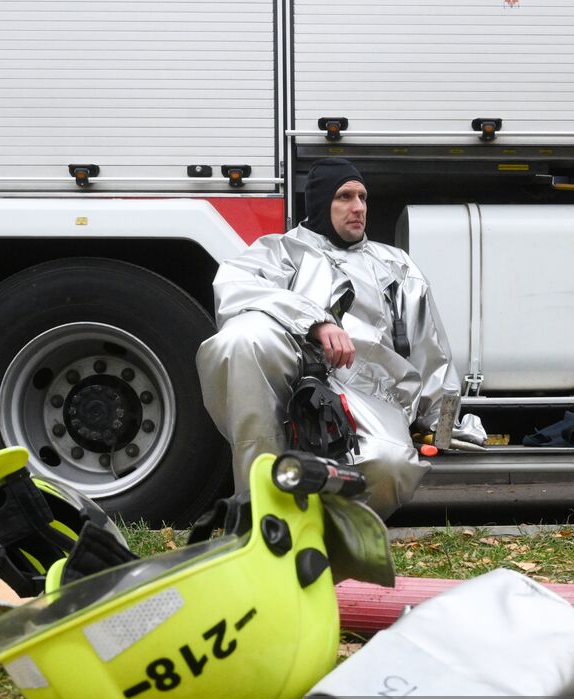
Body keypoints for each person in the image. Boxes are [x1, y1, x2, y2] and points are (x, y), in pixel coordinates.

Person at [196, 157, 464, 518]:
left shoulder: (396, 266)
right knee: (241, 339)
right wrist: (316, 322)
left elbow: (433, 353)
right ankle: (260, 514)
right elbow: (234, 289)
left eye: (362, 197)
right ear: (322, 203)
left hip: (369, 394)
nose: (358, 208)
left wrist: (442, 428)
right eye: (345, 197)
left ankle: (323, 527)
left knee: (390, 466)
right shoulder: (280, 251)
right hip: (289, 379)